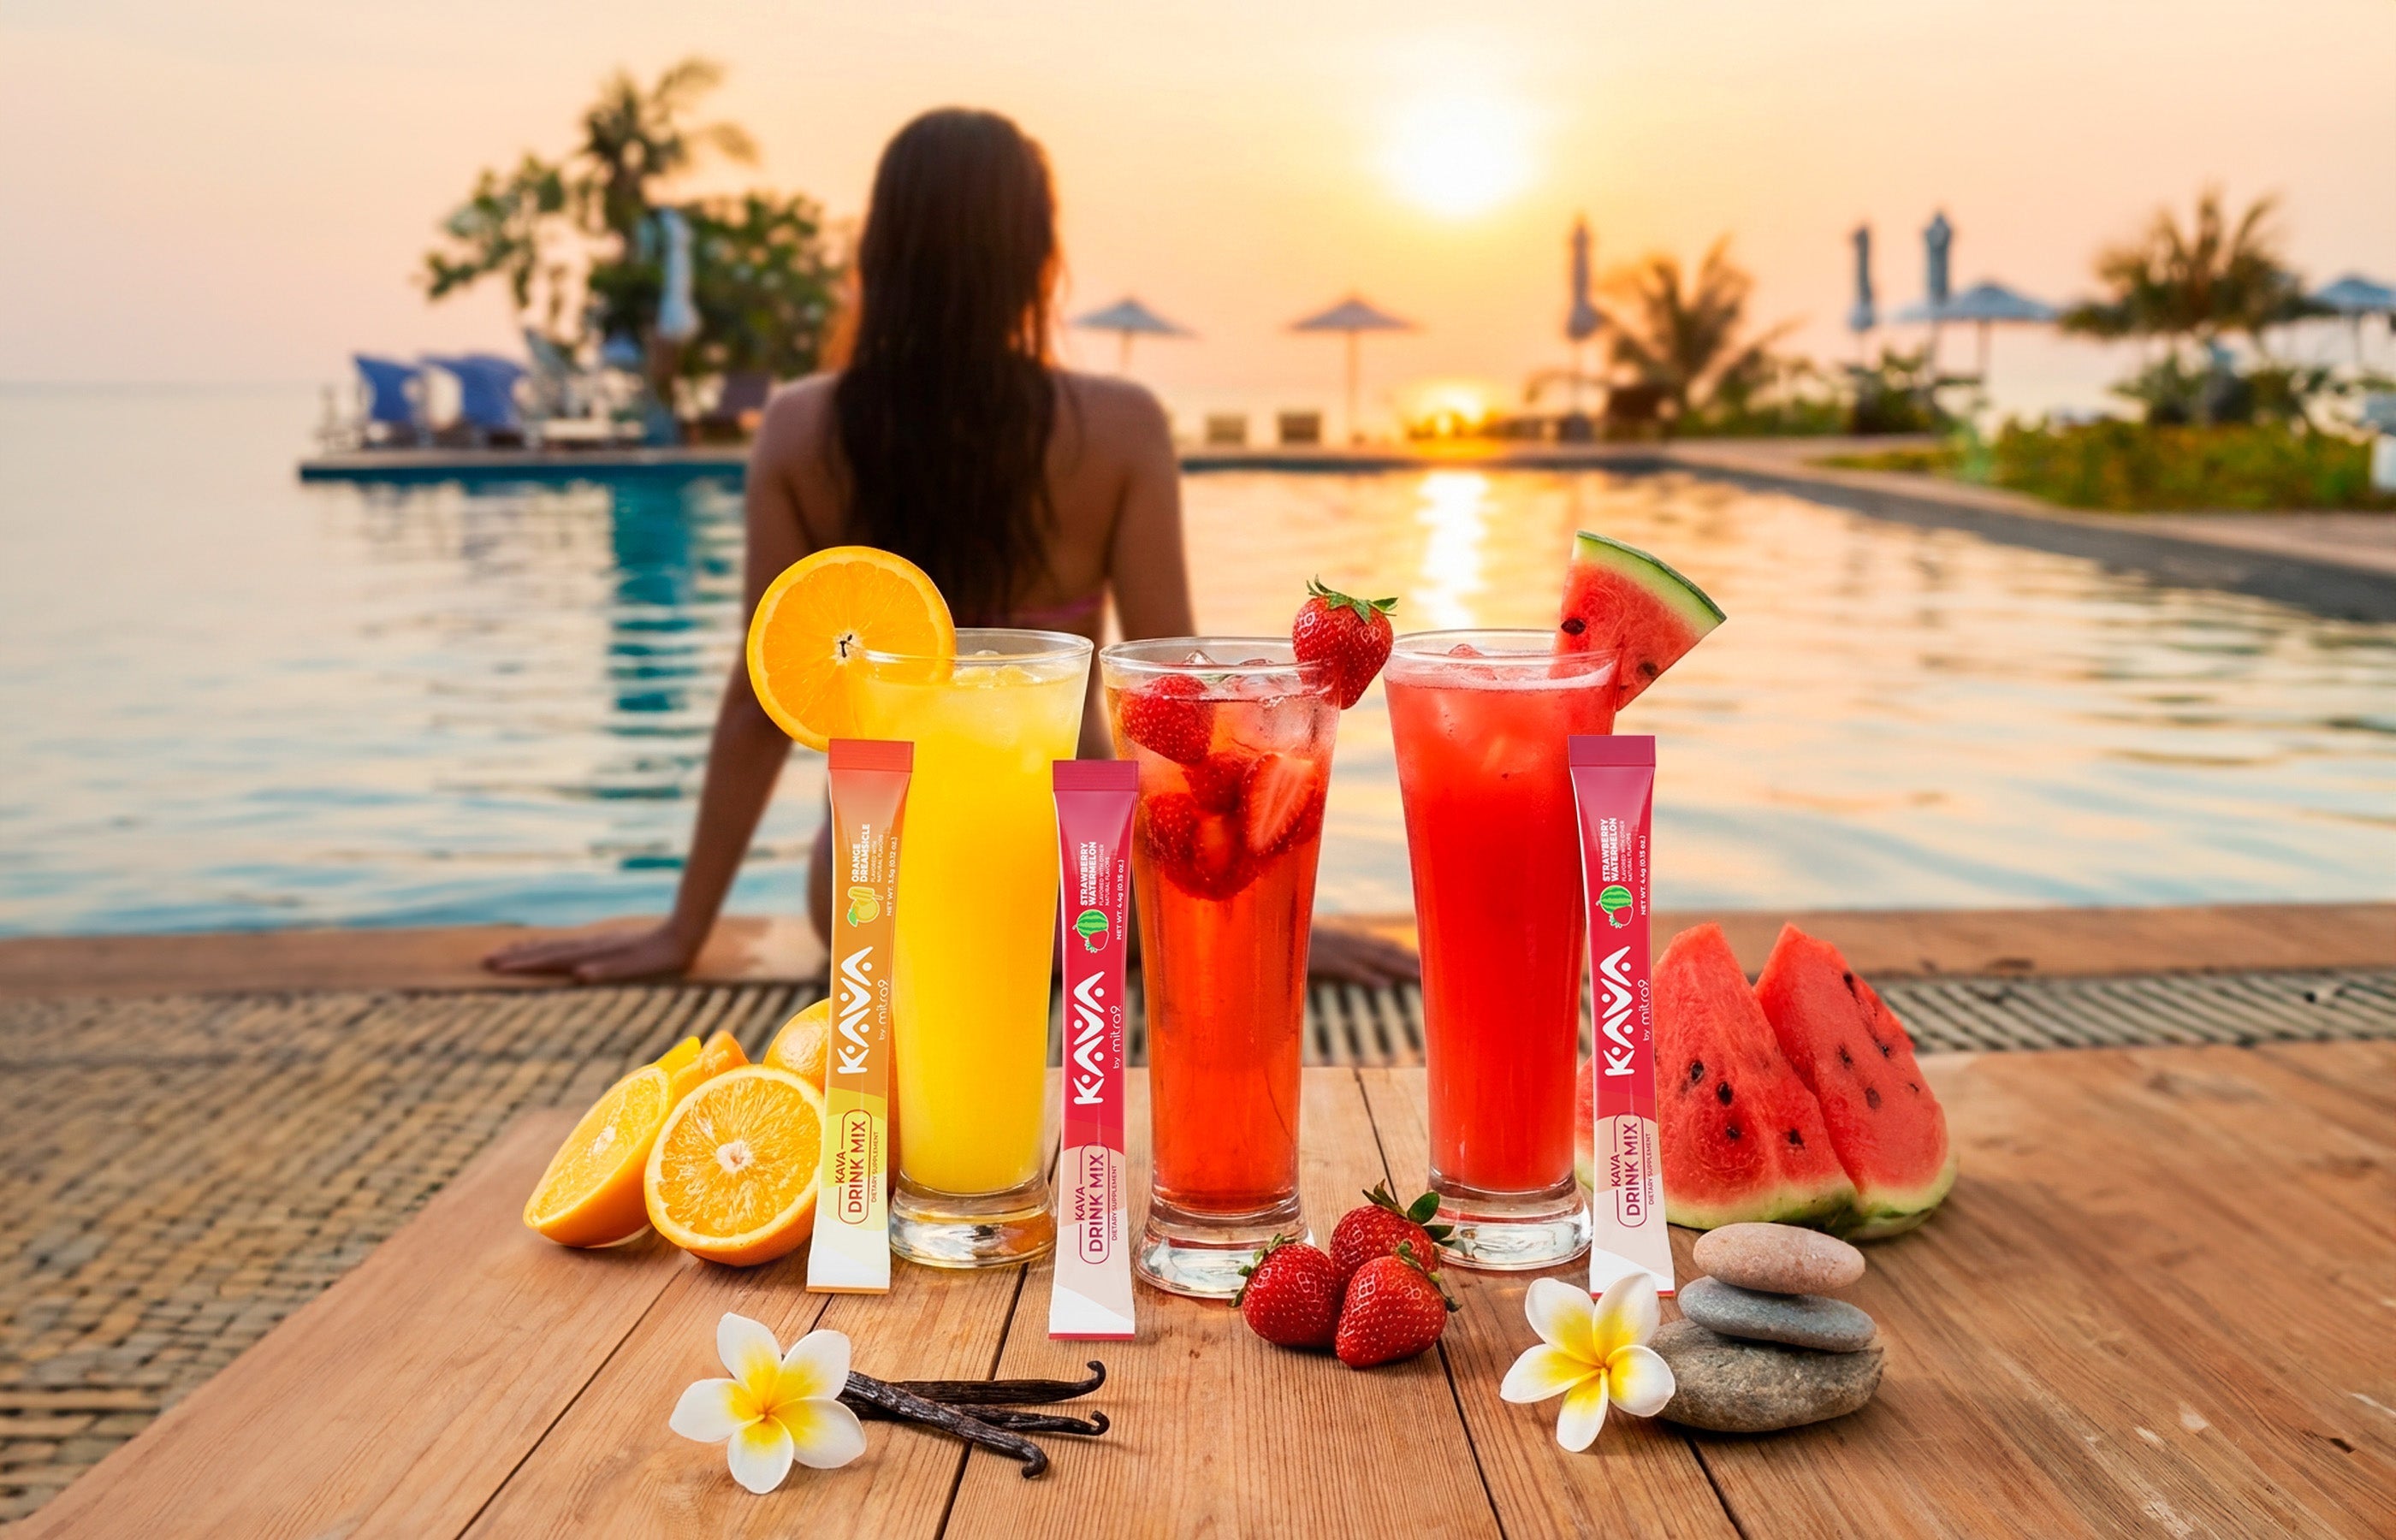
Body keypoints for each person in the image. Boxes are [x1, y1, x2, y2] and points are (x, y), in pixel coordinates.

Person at [488, 108, 1415, 987]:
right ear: (1037, 259)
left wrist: (679, 932)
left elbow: (755, 704)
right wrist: (1252, 904)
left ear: (879, 253)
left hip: (872, 897)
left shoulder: (801, 430)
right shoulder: (1120, 429)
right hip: (1080, 898)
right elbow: (1168, 698)